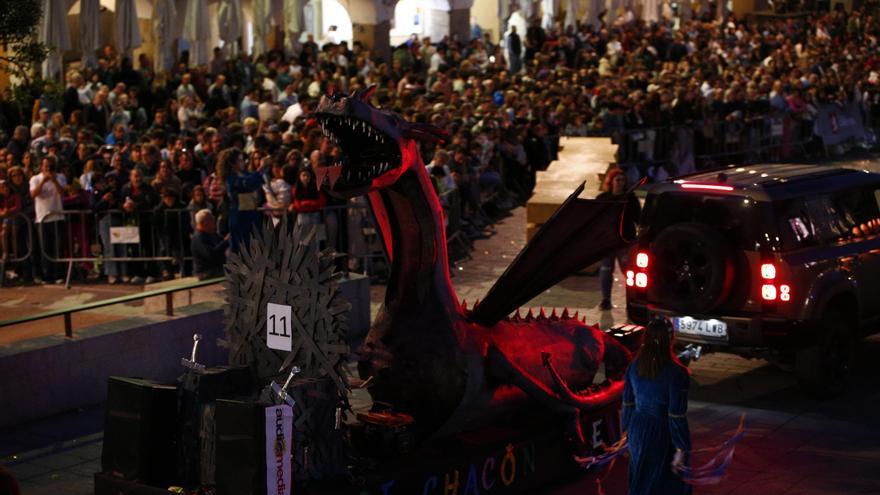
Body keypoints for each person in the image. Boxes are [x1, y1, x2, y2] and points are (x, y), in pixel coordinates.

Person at [622, 316, 691, 495]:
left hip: (637, 430)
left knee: (641, 478)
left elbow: (628, 404)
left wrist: (625, 435)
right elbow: (676, 416)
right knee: (661, 483)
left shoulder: (634, 366)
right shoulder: (677, 373)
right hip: (662, 433)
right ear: (670, 339)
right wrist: (681, 448)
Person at [597, 167, 640, 310]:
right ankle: (605, 300)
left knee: (629, 272)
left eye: (623, 180)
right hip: (607, 242)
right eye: (618, 179)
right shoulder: (603, 199)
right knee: (605, 270)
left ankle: (632, 300)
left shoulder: (630, 198)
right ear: (611, 181)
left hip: (625, 241)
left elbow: (638, 218)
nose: (621, 183)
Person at [217, 148, 265, 252]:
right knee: (241, 249)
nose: (243, 162)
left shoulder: (245, 173)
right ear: (232, 163)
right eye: (240, 160)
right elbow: (248, 183)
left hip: (252, 215)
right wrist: (261, 168)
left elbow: (257, 181)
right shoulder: (231, 178)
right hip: (240, 217)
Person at [29, 156, 67, 284]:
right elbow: (33, 194)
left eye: (50, 166)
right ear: (41, 166)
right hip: (42, 218)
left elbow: (63, 193)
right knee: (45, 248)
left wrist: (54, 181)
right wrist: (43, 181)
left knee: (58, 247)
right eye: (46, 166)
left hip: (58, 216)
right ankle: (47, 275)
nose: (48, 169)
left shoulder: (60, 177)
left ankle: (58, 275)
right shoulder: (35, 179)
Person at [191, 209, 228, 279]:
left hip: (217, 269)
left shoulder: (213, 234)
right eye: (210, 219)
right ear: (202, 223)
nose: (214, 221)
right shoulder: (198, 238)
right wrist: (225, 242)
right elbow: (210, 255)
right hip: (205, 272)